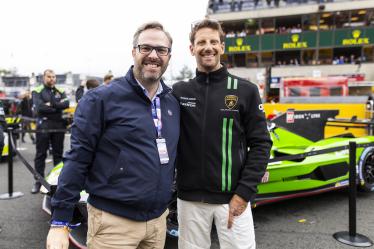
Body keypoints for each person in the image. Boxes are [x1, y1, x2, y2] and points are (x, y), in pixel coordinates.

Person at [46, 21, 179, 249]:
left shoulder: (172, 103)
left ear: (168, 55)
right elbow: (78, 158)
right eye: (145, 48)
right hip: (113, 225)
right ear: (133, 52)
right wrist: (60, 222)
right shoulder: (101, 99)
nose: (153, 55)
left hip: (157, 223)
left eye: (161, 50)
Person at [173, 19, 272, 249]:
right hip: (189, 200)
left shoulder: (246, 90)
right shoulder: (179, 91)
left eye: (213, 41)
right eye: (201, 42)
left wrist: (244, 193)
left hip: (233, 199)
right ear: (192, 49)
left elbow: (261, 144)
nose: (208, 47)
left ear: (222, 47)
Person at [31, 69, 70, 194]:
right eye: (49, 76)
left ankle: (58, 181)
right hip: (43, 126)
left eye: (53, 77)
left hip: (59, 126)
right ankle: (38, 182)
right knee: (41, 154)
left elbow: (67, 104)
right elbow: (39, 108)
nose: (52, 79)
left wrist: (51, 105)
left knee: (58, 154)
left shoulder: (60, 90)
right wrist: (57, 106)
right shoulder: (37, 91)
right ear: (44, 77)